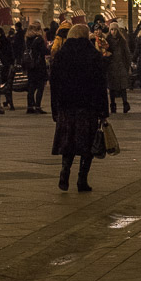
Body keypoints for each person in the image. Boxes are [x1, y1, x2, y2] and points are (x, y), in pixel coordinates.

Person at [49, 22, 109, 192]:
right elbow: (100, 85)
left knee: (67, 141)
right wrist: (103, 110)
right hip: (88, 107)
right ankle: (82, 179)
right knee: (87, 144)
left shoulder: (61, 55)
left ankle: (65, 171)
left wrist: (55, 108)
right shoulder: (93, 55)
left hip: (66, 106)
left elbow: (54, 84)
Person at [105, 21, 132, 114]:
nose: (113, 31)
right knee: (112, 87)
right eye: (112, 29)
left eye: (115, 29)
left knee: (122, 86)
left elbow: (127, 53)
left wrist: (128, 65)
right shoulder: (107, 41)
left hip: (121, 66)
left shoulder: (122, 41)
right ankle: (112, 105)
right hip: (111, 67)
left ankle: (125, 104)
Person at [23, 22, 49, 114]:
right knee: (40, 87)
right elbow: (44, 51)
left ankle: (30, 106)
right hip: (39, 66)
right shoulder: (39, 39)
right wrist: (49, 48)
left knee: (31, 87)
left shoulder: (27, 39)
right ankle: (37, 106)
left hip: (30, 66)